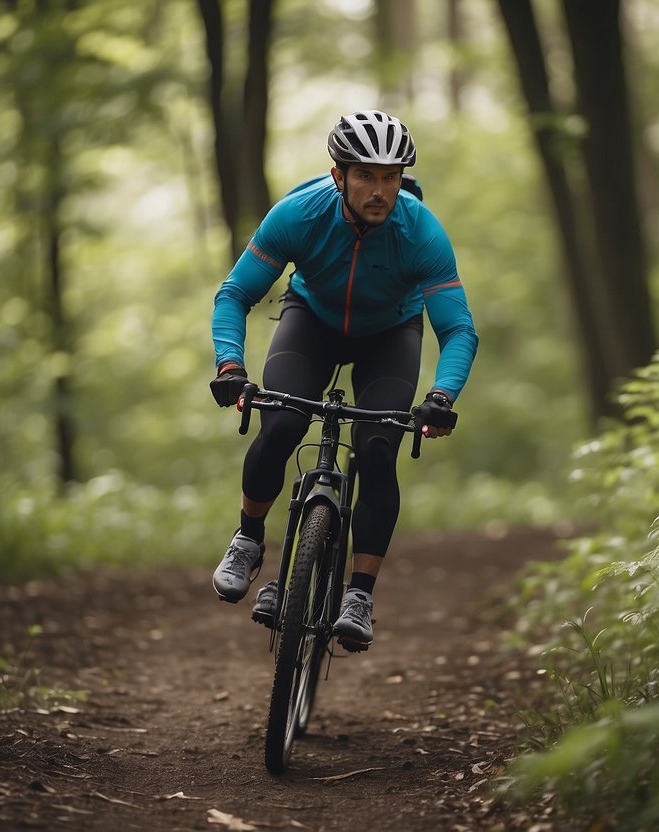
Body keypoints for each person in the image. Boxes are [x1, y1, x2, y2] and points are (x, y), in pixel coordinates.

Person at [208, 110, 479, 651]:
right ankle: (249, 538)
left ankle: (359, 593)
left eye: (390, 177)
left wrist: (442, 397)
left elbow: (459, 329)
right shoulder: (298, 216)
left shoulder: (421, 231)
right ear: (338, 176)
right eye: (365, 176)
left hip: (390, 334)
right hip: (312, 322)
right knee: (282, 424)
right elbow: (235, 294)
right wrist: (230, 366)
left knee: (378, 448)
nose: (379, 190)